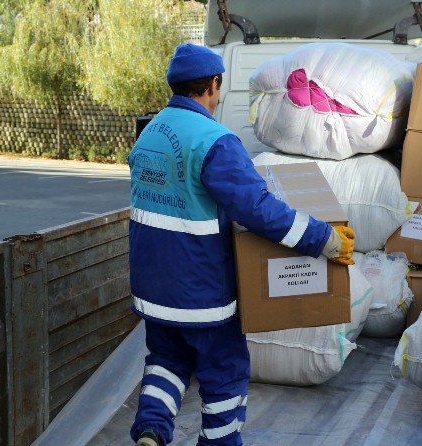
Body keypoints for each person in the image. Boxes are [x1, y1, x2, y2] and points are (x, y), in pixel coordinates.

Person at [128, 43, 355, 446]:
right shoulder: (214, 141)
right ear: (214, 85)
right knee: (224, 375)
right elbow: (257, 209)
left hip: (152, 290)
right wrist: (324, 239)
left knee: (165, 363)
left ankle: (150, 433)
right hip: (202, 295)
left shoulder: (150, 133)